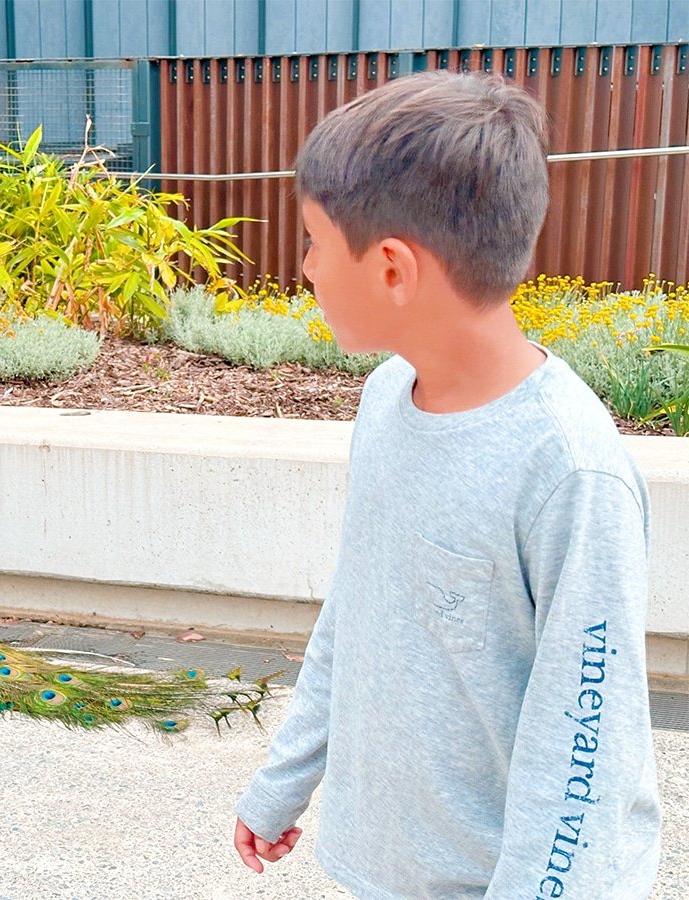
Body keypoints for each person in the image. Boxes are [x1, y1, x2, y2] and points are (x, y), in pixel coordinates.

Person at [233, 71, 661, 898]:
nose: (308, 266)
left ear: (393, 268)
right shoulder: (385, 400)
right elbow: (357, 609)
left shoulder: (571, 472)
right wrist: (287, 776)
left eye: (318, 240)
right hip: (383, 871)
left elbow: (584, 747)